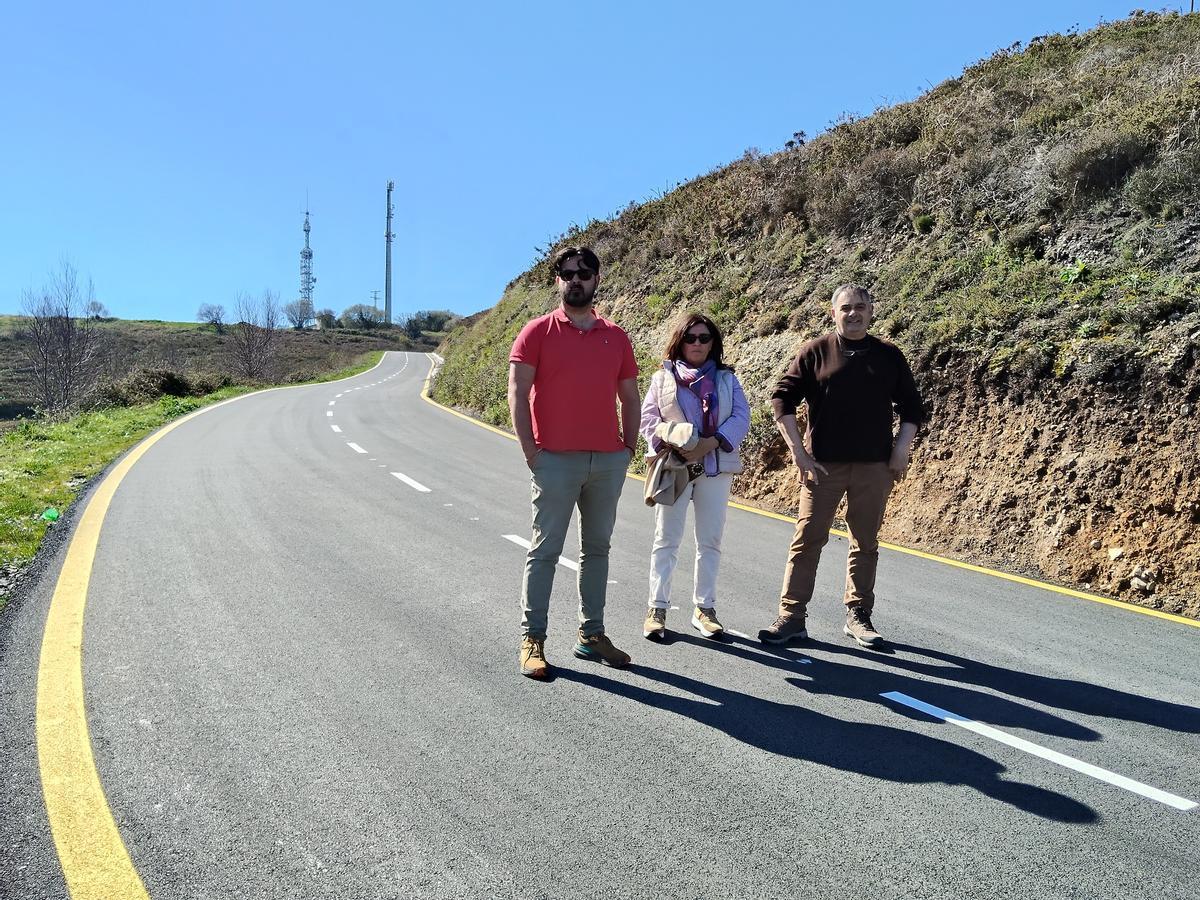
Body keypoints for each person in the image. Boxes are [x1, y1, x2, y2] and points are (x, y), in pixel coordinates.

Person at [758, 283, 925, 648]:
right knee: (806, 541)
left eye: (861, 307)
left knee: (865, 542)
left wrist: (900, 451)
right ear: (833, 313)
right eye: (846, 308)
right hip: (823, 469)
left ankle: (858, 616)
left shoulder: (888, 356)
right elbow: (781, 401)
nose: (854, 313)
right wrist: (799, 454)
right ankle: (792, 617)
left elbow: (912, 409)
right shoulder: (815, 352)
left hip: (874, 468)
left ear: (871, 311)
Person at [509, 246, 640, 679]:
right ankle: (533, 638)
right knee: (545, 550)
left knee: (597, 550)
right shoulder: (536, 332)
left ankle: (592, 634)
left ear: (597, 279)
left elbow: (630, 396)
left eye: (584, 272)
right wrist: (531, 450)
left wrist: (629, 447)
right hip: (555, 460)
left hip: (606, 460)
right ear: (557, 281)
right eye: (567, 274)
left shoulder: (615, 337)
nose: (575, 279)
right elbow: (517, 392)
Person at [639, 312, 750, 641]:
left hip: (715, 468)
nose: (698, 343)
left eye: (704, 338)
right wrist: (678, 437)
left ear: (713, 342)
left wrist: (710, 443)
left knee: (710, 541)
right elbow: (647, 420)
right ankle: (656, 608)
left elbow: (742, 417)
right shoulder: (663, 378)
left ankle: (705, 609)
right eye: (691, 338)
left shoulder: (726, 379)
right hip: (675, 466)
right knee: (666, 539)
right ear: (680, 341)